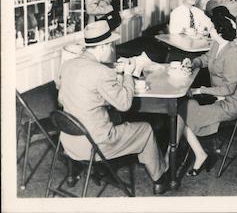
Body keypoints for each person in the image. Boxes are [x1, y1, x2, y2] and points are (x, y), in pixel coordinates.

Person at [57, 21, 169, 194]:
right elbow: (124, 104)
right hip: (94, 146)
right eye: (110, 46)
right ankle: (160, 179)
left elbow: (63, 99)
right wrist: (128, 74)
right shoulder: (101, 72)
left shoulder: (67, 65)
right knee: (145, 129)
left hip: (69, 141)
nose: (111, 50)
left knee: (115, 118)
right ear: (103, 46)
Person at [177, 7, 237, 175]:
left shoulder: (232, 54)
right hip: (217, 97)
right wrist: (193, 63)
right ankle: (199, 152)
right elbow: (206, 59)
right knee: (182, 109)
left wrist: (200, 90)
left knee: (180, 116)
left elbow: (229, 88)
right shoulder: (217, 45)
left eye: (212, 28)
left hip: (229, 104)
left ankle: (199, 155)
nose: (209, 30)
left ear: (219, 32)